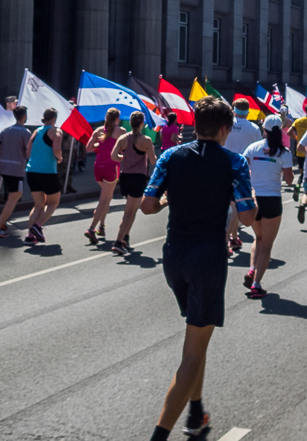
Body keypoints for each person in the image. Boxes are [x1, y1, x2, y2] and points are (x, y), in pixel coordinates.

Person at [140, 96, 256, 440]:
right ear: (225, 129)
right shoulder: (234, 162)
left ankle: (196, 412)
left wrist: (168, 199)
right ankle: (160, 434)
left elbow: (147, 205)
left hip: (174, 255)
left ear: (194, 124)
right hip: (208, 257)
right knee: (192, 350)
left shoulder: (170, 156)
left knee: (197, 333)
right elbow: (247, 217)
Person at [241, 115, 293, 298]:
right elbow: (289, 179)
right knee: (267, 244)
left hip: (254, 198)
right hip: (272, 199)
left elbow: (242, 170)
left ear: (264, 130)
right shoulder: (284, 152)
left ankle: (252, 269)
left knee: (259, 237)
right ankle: (256, 284)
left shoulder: (252, 148)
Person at [110, 111, 157, 256]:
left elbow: (113, 156)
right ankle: (118, 241)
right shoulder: (146, 140)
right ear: (142, 123)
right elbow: (153, 161)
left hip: (125, 177)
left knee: (131, 209)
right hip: (138, 177)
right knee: (129, 212)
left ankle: (125, 238)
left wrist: (124, 157)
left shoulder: (123, 138)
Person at [224, 101, 263, 253]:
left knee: (227, 203)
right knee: (235, 204)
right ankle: (227, 239)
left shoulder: (226, 124)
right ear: (248, 112)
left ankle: (233, 236)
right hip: (242, 169)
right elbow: (258, 149)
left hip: (222, 165)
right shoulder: (253, 128)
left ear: (234, 110)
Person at [0, 106, 32, 238]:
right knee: (14, 197)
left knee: (12, 196)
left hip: (4, 167)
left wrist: (7, 152)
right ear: (24, 116)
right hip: (17, 168)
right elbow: (28, 152)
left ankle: (1, 220)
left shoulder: (5, 131)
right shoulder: (26, 132)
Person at [84, 108, 125, 244]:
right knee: (104, 200)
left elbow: (88, 148)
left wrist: (100, 144)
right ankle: (91, 228)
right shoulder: (121, 132)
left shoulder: (98, 131)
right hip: (111, 168)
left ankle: (101, 226)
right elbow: (126, 150)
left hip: (98, 167)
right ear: (117, 119)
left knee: (107, 197)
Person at [23, 108, 63, 245]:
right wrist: (59, 157)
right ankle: (37, 225)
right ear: (53, 119)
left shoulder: (36, 131)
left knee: (38, 204)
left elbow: (28, 151)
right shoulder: (56, 131)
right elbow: (56, 149)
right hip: (47, 172)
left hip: (31, 171)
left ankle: (30, 236)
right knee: (53, 202)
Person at [0, 96, 19, 201]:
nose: (16, 105)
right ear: (8, 104)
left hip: (13, 149)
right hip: (2, 149)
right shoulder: (1, 115)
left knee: (12, 173)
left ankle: (10, 194)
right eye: (14, 103)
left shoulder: (16, 117)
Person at [288, 103, 307, 202]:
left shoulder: (298, 121)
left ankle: (297, 185)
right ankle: (305, 194)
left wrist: (296, 138)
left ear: (305, 111)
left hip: (299, 151)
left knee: (302, 172)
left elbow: (288, 132)